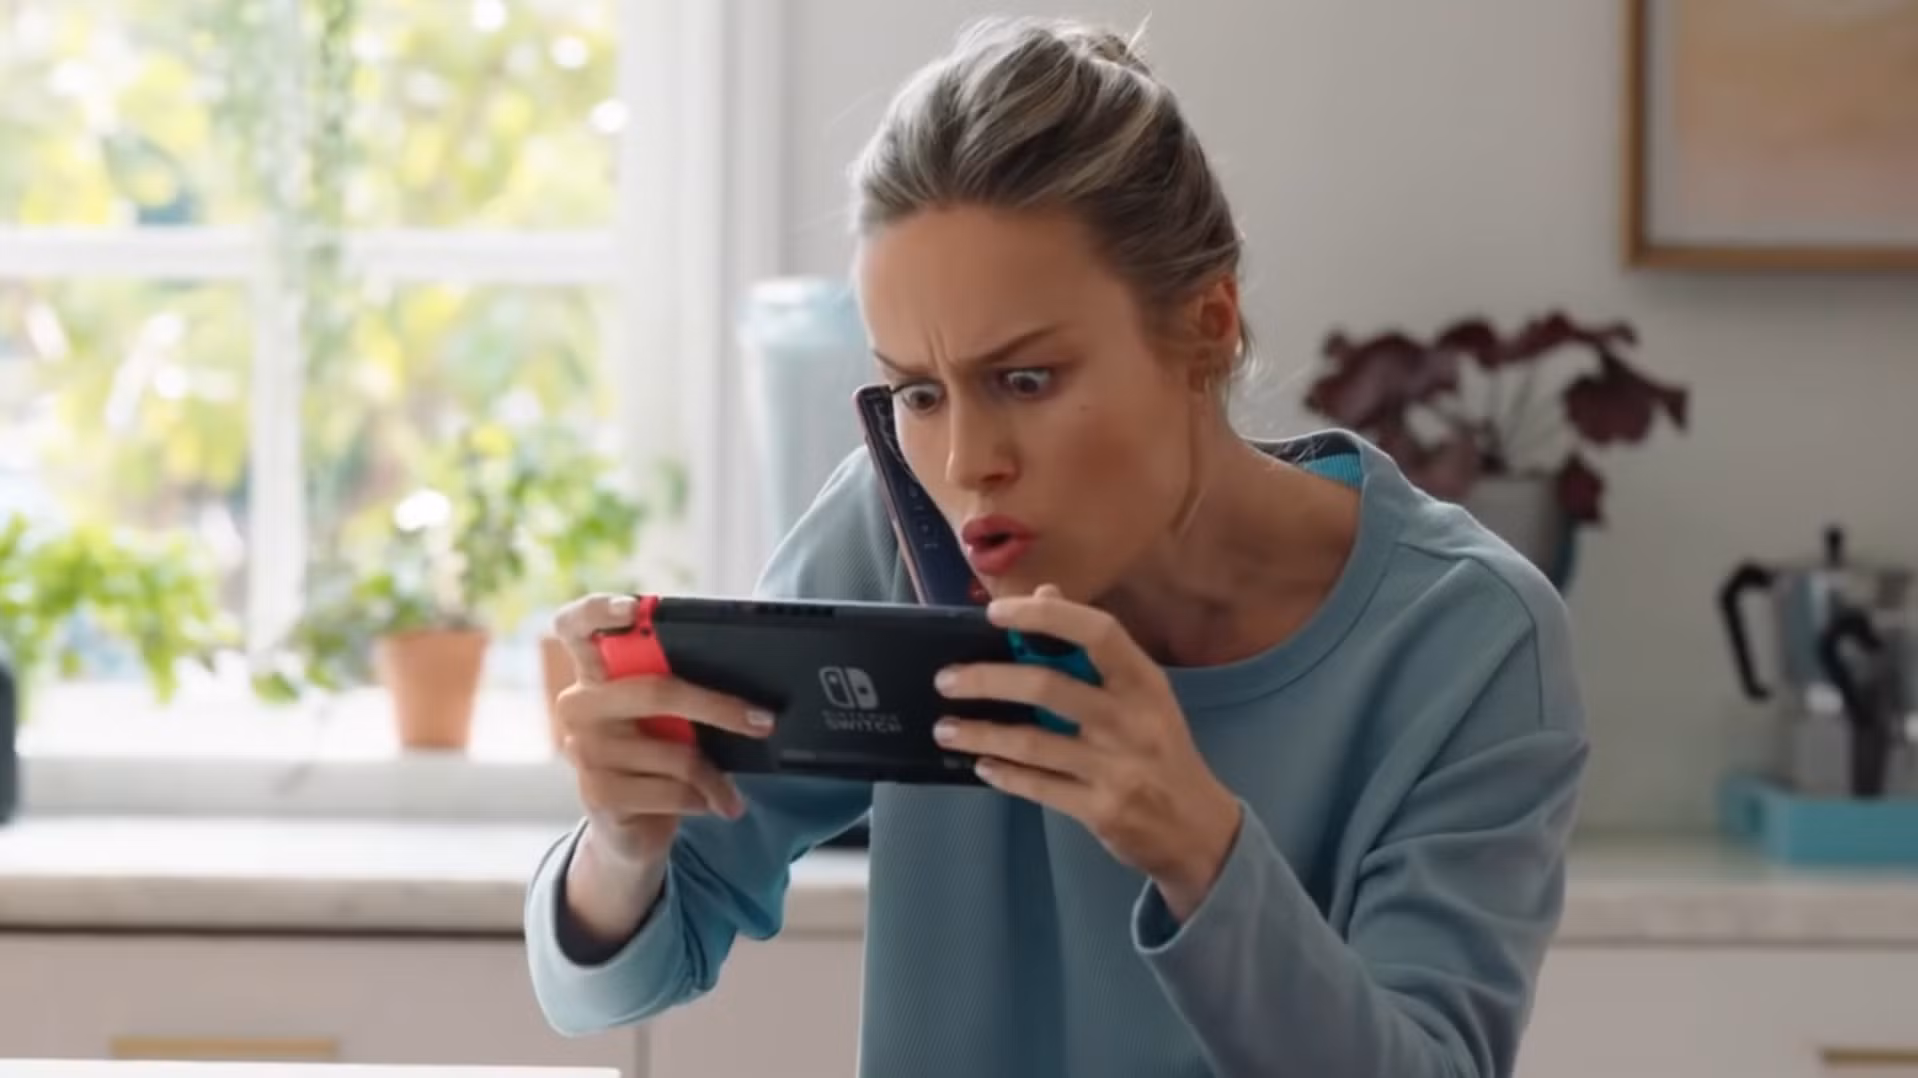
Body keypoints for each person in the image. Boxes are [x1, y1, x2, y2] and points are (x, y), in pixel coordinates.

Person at [523, 15, 1588, 1078]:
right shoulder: (899, 531)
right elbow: (616, 976)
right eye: (918, 393)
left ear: (1207, 325)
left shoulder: (1465, 640)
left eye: (1025, 379)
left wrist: (1199, 849)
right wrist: (621, 841)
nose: (966, 462)